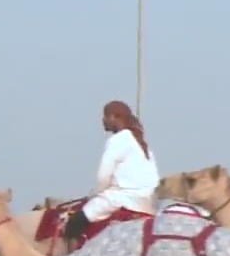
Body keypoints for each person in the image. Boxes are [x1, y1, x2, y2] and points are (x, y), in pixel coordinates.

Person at [63, 100, 160, 241]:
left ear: (115, 117)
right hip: (146, 205)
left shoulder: (119, 140)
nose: (103, 120)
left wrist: (93, 195)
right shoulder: (144, 147)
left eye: (106, 116)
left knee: (74, 222)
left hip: (120, 199)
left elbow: (103, 178)